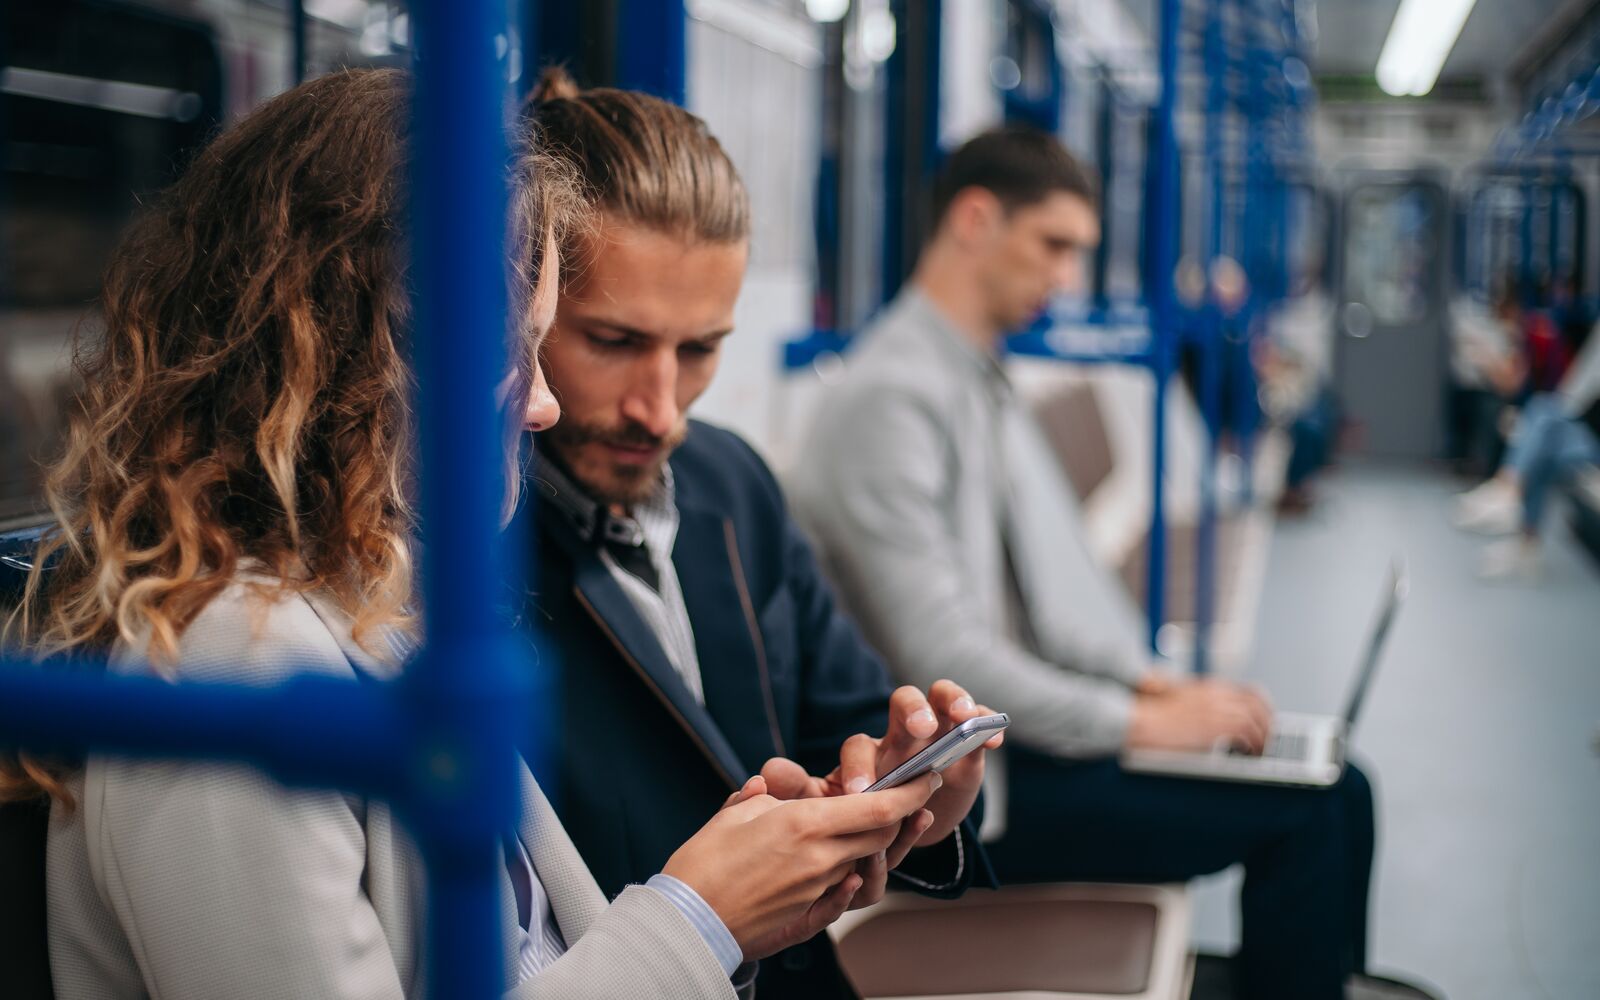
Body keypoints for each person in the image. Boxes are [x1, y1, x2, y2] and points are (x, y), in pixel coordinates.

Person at [0, 68, 946, 1000]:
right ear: (351, 359)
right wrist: (698, 917)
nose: (542, 404)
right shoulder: (230, 660)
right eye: (513, 353)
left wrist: (739, 898)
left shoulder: (375, 600)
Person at [790, 126, 1386, 1000]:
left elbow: (1043, 610)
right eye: (1054, 246)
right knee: (1320, 807)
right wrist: (1136, 726)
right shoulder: (892, 400)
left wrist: (1151, 688)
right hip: (975, 802)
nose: (1067, 279)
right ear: (975, 219)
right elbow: (947, 662)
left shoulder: (967, 376)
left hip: (1022, 748)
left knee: (1330, 780)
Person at [515, 69, 999, 1000]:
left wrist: (917, 805)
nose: (660, 412)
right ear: (525, 318)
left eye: (699, 351)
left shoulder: (732, 484)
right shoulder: (466, 555)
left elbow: (848, 717)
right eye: (612, 342)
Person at [1454, 326, 1600, 579]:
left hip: (1589, 443)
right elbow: (1574, 397)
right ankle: (1524, 540)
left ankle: (1509, 491)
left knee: (1542, 416)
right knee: (1542, 435)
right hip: (1581, 434)